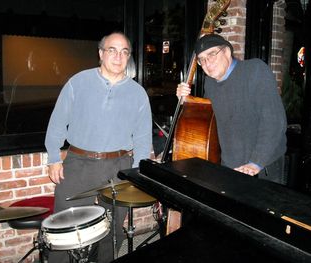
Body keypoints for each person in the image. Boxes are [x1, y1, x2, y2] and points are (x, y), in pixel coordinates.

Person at [45, 32, 152, 263]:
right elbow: (57, 122)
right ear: (101, 53)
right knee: (64, 227)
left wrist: (136, 172)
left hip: (119, 167)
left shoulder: (138, 94)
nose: (118, 56)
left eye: (124, 52)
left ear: (129, 57)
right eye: (112, 50)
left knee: (111, 231)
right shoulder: (78, 82)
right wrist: (54, 157)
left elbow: (143, 138)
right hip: (78, 164)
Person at [177, 34, 287, 184]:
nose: (207, 63)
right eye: (202, 60)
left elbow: (274, 122)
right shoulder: (210, 83)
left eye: (212, 54)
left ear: (227, 52)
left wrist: (256, 163)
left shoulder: (255, 70)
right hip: (230, 165)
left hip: (263, 166)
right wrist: (186, 101)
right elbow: (208, 119)